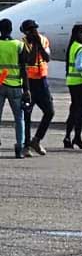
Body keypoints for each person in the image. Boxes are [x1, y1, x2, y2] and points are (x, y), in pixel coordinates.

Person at [20, 19, 51, 157]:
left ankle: (36, 140)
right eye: (30, 30)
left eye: (34, 29)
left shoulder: (43, 40)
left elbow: (47, 57)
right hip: (28, 82)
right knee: (27, 115)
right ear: (25, 32)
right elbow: (30, 60)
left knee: (50, 112)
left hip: (42, 81)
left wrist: (39, 43)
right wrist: (34, 46)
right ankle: (26, 145)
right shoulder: (22, 43)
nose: (33, 32)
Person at [0, 19, 30, 159]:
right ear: (11, 29)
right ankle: (19, 146)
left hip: (0, 84)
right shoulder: (19, 45)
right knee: (19, 118)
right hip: (15, 86)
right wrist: (27, 89)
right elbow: (24, 68)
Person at [62, 24, 82, 151]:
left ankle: (67, 137)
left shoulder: (73, 46)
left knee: (73, 110)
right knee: (79, 113)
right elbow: (80, 66)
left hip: (72, 82)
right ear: (79, 34)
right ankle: (77, 138)